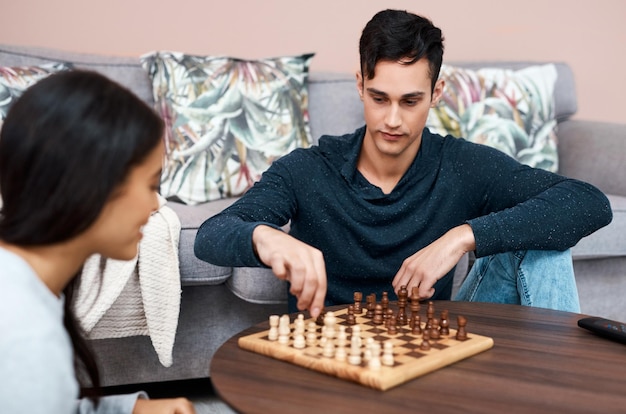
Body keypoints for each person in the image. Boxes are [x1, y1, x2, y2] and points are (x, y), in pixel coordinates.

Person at [194, 9, 612, 319]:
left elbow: (589, 202)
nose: (392, 120)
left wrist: (460, 238)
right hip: (337, 352)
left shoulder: (461, 164)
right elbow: (211, 235)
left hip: (432, 345)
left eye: (410, 101)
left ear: (436, 92)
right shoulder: (308, 168)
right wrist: (268, 238)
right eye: (379, 98)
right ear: (359, 85)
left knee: (545, 247)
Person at [0, 70, 195, 414]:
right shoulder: (24, 333)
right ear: (92, 186)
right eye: (151, 184)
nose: (155, 205)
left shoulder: (26, 284)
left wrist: (129, 409)